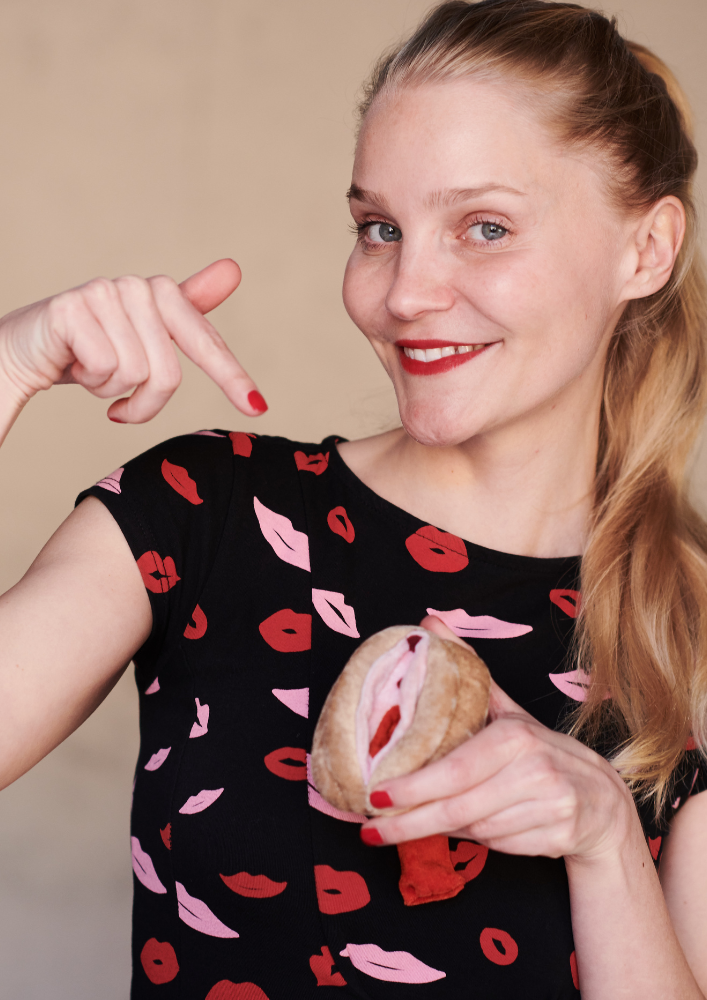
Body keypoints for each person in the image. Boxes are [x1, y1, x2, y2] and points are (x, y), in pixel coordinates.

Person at [0, 0, 705, 996]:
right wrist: (8, 366)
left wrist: (605, 842)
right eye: (379, 228)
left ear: (646, 249)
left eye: (484, 227)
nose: (404, 292)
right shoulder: (202, 512)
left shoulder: (688, 632)